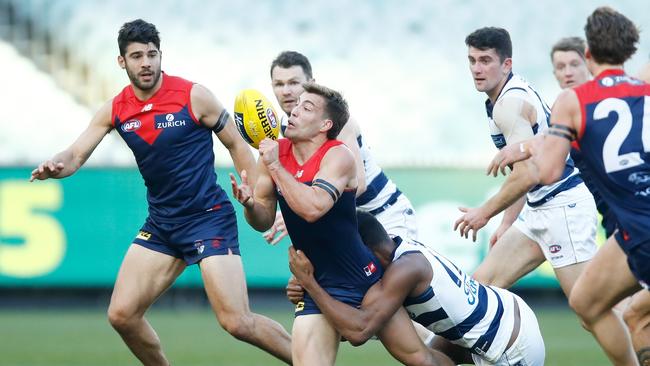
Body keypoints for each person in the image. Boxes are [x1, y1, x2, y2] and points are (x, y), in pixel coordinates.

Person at [30, 19, 292, 365]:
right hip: (163, 224)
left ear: (160, 56)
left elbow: (238, 146)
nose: (146, 63)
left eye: (152, 54)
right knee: (121, 315)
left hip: (208, 219)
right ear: (122, 62)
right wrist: (56, 166)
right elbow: (76, 154)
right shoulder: (116, 109)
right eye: (137, 56)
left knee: (237, 322)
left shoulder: (193, 96)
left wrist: (254, 192)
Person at [230, 82, 452, 366]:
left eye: (306, 107)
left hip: (362, 279)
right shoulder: (275, 154)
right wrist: (250, 205)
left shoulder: (338, 155)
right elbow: (262, 221)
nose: (294, 111)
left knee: (421, 360)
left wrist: (276, 167)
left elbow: (313, 209)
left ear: (325, 124)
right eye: (296, 105)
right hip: (316, 282)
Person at [487, 7, 649, 365]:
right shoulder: (645, 88)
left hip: (638, 229)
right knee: (615, 309)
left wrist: (526, 147)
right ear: (630, 51)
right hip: (632, 231)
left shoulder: (572, 101)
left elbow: (545, 171)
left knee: (600, 307)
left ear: (588, 55)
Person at [454, 27, 603, 306]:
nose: (476, 68)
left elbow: (526, 173)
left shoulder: (508, 104)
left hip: (563, 209)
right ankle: (444, 352)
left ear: (506, 64)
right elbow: (526, 172)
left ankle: (639, 330)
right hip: (539, 210)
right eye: (472, 61)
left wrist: (483, 214)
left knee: (592, 309)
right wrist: (507, 223)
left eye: (485, 60)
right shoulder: (507, 94)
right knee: (477, 291)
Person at [289, 210, 545, 365]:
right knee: (422, 358)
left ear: (367, 251)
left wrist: (311, 284)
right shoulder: (397, 256)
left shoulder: (405, 270)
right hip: (506, 314)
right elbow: (350, 327)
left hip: (512, 348)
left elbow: (358, 331)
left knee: (421, 359)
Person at [263, 51, 418, 245]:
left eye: (294, 83)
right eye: (279, 84)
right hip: (345, 224)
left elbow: (358, 185)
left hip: (385, 215)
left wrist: (298, 213)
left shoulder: (335, 120)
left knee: (391, 275)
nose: (286, 91)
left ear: (312, 82)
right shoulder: (286, 127)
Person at [551, 36, 617, 237]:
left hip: (625, 209)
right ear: (554, 73)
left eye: (574, 64)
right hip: (603, 212)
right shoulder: (559, 110)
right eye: (561, 67)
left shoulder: (608, 103)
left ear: (588, 63)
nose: (568, 72)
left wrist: (521, 148)